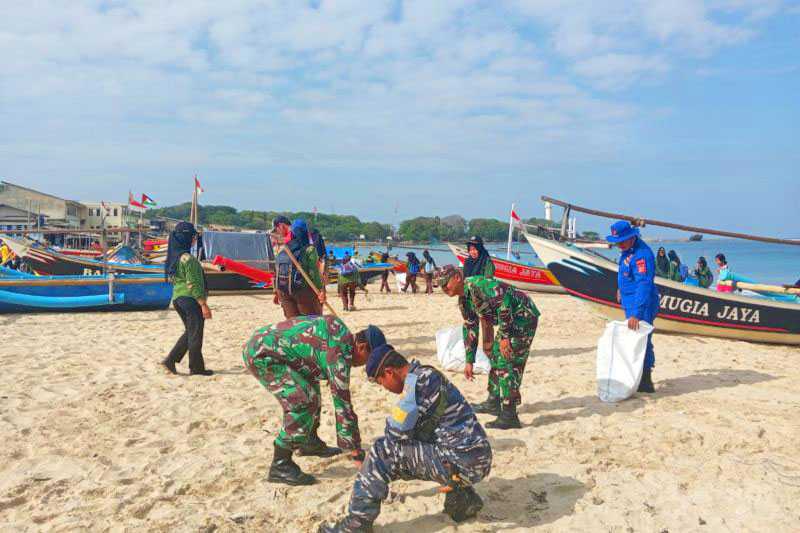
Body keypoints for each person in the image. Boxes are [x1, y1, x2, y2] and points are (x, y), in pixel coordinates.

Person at [319, 344, 492, 532]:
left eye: (380, 382)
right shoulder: (427, 373)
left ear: (389, 372)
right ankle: (464, 499)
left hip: (461, 462)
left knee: (381, 452)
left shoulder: (416, 384)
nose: (383, 388)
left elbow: (394, 434)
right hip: (478, 457)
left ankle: (355, 525)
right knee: (425, 437)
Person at [243, 318, 386, 485]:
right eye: (367, 359)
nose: (363, 365)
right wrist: (355, 452)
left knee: (313, 392)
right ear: (361, 347)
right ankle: (280, 464)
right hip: (262, 355)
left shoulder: (342, 334)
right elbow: (342, 405)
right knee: (303, 401)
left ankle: (309, 442)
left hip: (276, 350)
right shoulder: (339, 355)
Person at [438, 265, 540, 429]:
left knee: (507, 362)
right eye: (440, 285)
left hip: (523, 315)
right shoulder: (464, 300)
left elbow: (504, 302)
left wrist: (505, 336)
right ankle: (493, 402)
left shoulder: (478, 285)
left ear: (457, 277)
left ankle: (509, 415)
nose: (443, 288)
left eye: (445, 283)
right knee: (495, 356)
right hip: (509, 320)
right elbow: (470, 327)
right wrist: (469, 361)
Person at [606, 220, 659, 393]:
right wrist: (620, 288)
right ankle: (637, 377)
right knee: (634, 340)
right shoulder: (628, 250)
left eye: (621, 241)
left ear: (631, 237)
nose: (619, 245)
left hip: (641, 305)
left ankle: (646, 381)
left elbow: (644, 284)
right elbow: (627, 273)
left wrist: (637, 313)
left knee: (642, 339)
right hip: (630, 302)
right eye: (617, 242)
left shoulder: (642, 255)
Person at [162, 221, 213, 376]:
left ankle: (171, 360)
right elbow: (194, 283)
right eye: (192, 237)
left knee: (191, 332)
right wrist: (203, 304)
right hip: (190, 299)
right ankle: (196, 368)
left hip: (177, 298)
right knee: (196, 333)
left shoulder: (174, 258)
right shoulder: (188, 259)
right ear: (186, 238)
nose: (194, 240)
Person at [274, 219, 326, 319]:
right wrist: (320, 290)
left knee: (293, 324)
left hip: (284, 291)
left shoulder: (283, 249)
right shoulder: (309, 250)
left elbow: (276, 272)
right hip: (303, 291)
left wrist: (276, 293)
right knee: (313, 322)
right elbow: (314, 273)